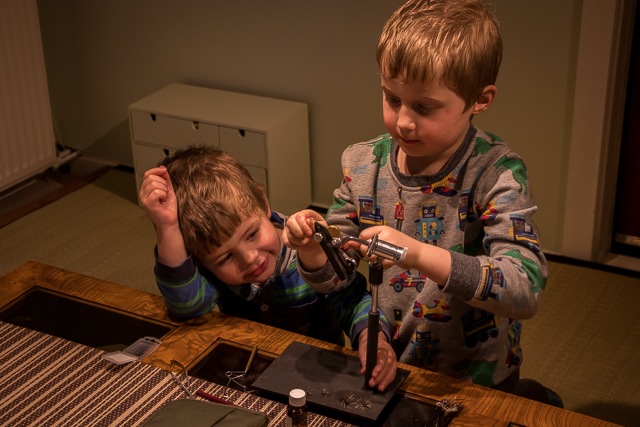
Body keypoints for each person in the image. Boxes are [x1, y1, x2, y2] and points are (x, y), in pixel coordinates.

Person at [284, 0, 562, 406]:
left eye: (424, 106)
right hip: (391, 363)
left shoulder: (497, 173)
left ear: (480, 100)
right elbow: (336, 278)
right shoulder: (361, 166)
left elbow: (525, 287)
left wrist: (415, 253)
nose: (403, 121)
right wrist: (311, 248)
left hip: (477, 376)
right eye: (391, 98)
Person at [138, 145, 397, 391]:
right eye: (225, 257)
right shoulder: (211, 270)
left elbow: (351, 299)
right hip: (246, 375)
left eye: (251, 234)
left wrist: (370, 338)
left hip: (318, 377)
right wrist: (168, 228)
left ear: (263, 201)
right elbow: (187, 307)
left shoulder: (308, 252)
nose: (249, 258)